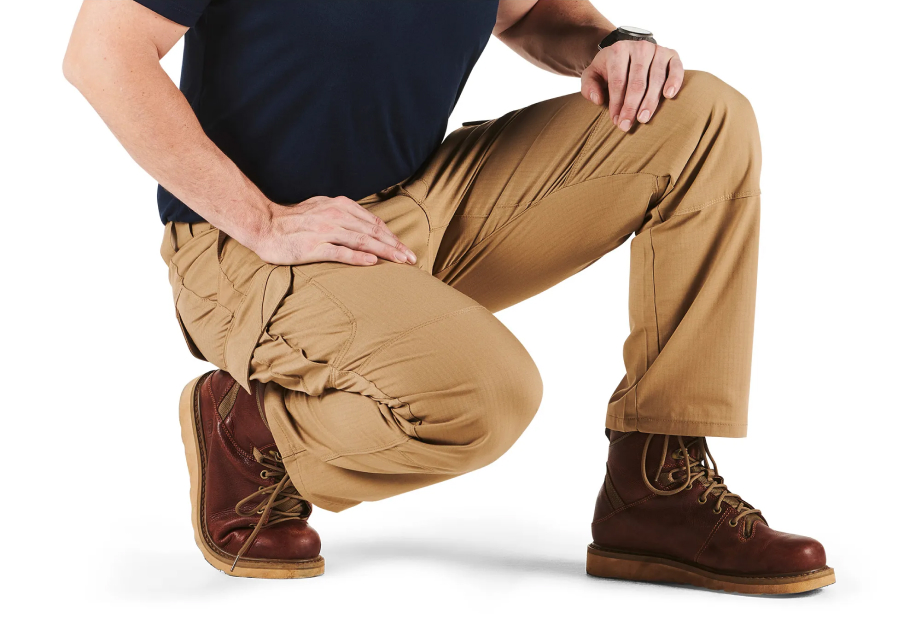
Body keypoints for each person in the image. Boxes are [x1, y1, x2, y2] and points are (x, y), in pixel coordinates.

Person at [63, 0, 834, 594]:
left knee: (699, 116)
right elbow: (101, 54)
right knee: (484, 399)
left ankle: (658, 487)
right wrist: (261, 219)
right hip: (247, 245)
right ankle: (253, 431)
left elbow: (531, 13)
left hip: (419, 203)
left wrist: (608, 44)